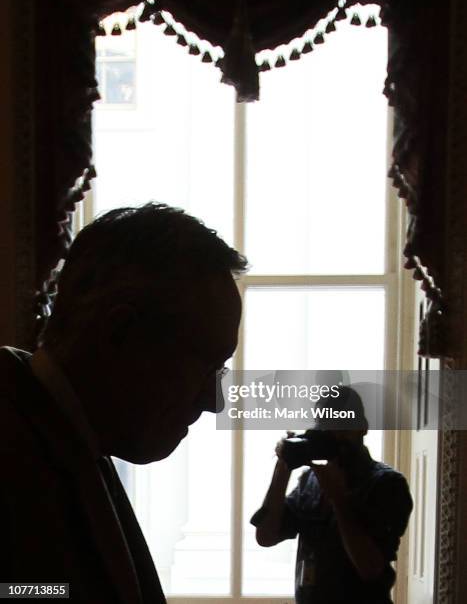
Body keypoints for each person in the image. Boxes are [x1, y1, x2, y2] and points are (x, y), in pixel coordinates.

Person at [0, 203, 247, 603]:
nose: (213, 401)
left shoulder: (73, 440)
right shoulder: (17, 447)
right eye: (204, 365)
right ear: (118, 332)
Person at [251, 387, 413, 604]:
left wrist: (339, 500)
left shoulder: (387, 484)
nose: (336, 437)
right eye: (328, 428)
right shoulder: (312, 480)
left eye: (344, 427)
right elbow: (266, 536)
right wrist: (283, 468)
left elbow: (370, 568)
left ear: (363, 427)